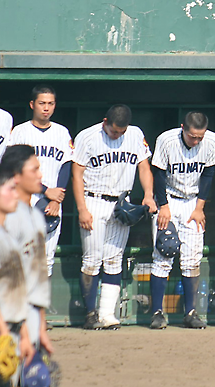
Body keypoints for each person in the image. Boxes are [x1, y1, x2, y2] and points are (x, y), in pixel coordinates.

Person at [71, 105, 156, 330]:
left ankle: (107, 314)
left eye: (121, 131)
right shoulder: (88, 137)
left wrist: (148, 195)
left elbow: (144, 167)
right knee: (92, 259)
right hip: (94, 199)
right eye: (114, 130)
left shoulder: (135, 134)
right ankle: (90, 314)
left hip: (121, 202)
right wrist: (81, 208)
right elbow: (77, 174)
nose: (117, 135)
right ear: (105, 121)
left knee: (113, 260)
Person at [148, 112, 215, 330]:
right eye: (192, 136)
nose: (196, 140)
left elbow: (208, 175)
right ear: (183, 128)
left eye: (200, 136)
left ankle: (190, 312)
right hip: (168, 198)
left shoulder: (212, 140)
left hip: (192, 201)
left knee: (192, 259)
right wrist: (163, 207)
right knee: (163, 253)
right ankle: (157, 313)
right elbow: (159, 175)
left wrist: (200, 207)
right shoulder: (166, 140)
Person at [9, 85, 73, 279]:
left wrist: (56, 198)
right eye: (42, 103)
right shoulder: (20, 132)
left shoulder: (62, 132)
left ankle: (38, 307)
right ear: (32, 105)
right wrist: (46, 191)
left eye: (50, 104)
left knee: (46, 259)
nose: (46, 108)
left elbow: (66, 165)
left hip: (53, 201)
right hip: (24, 199)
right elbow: (14, 168)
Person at [0, 145, 53, 358]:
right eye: (34, 170)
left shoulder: (35, 216)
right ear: (16, 176)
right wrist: (21, 332)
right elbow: (5, 282)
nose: (40, 175)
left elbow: (36, 280)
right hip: (9, 319)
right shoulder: (6, 218)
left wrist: (40, 327)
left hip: (31, 315)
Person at [0, 165, 32, 366]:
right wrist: (2, 333)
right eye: (11, 188)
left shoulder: (8, 236)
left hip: (14, 332)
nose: (16, 195)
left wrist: (25, 336)